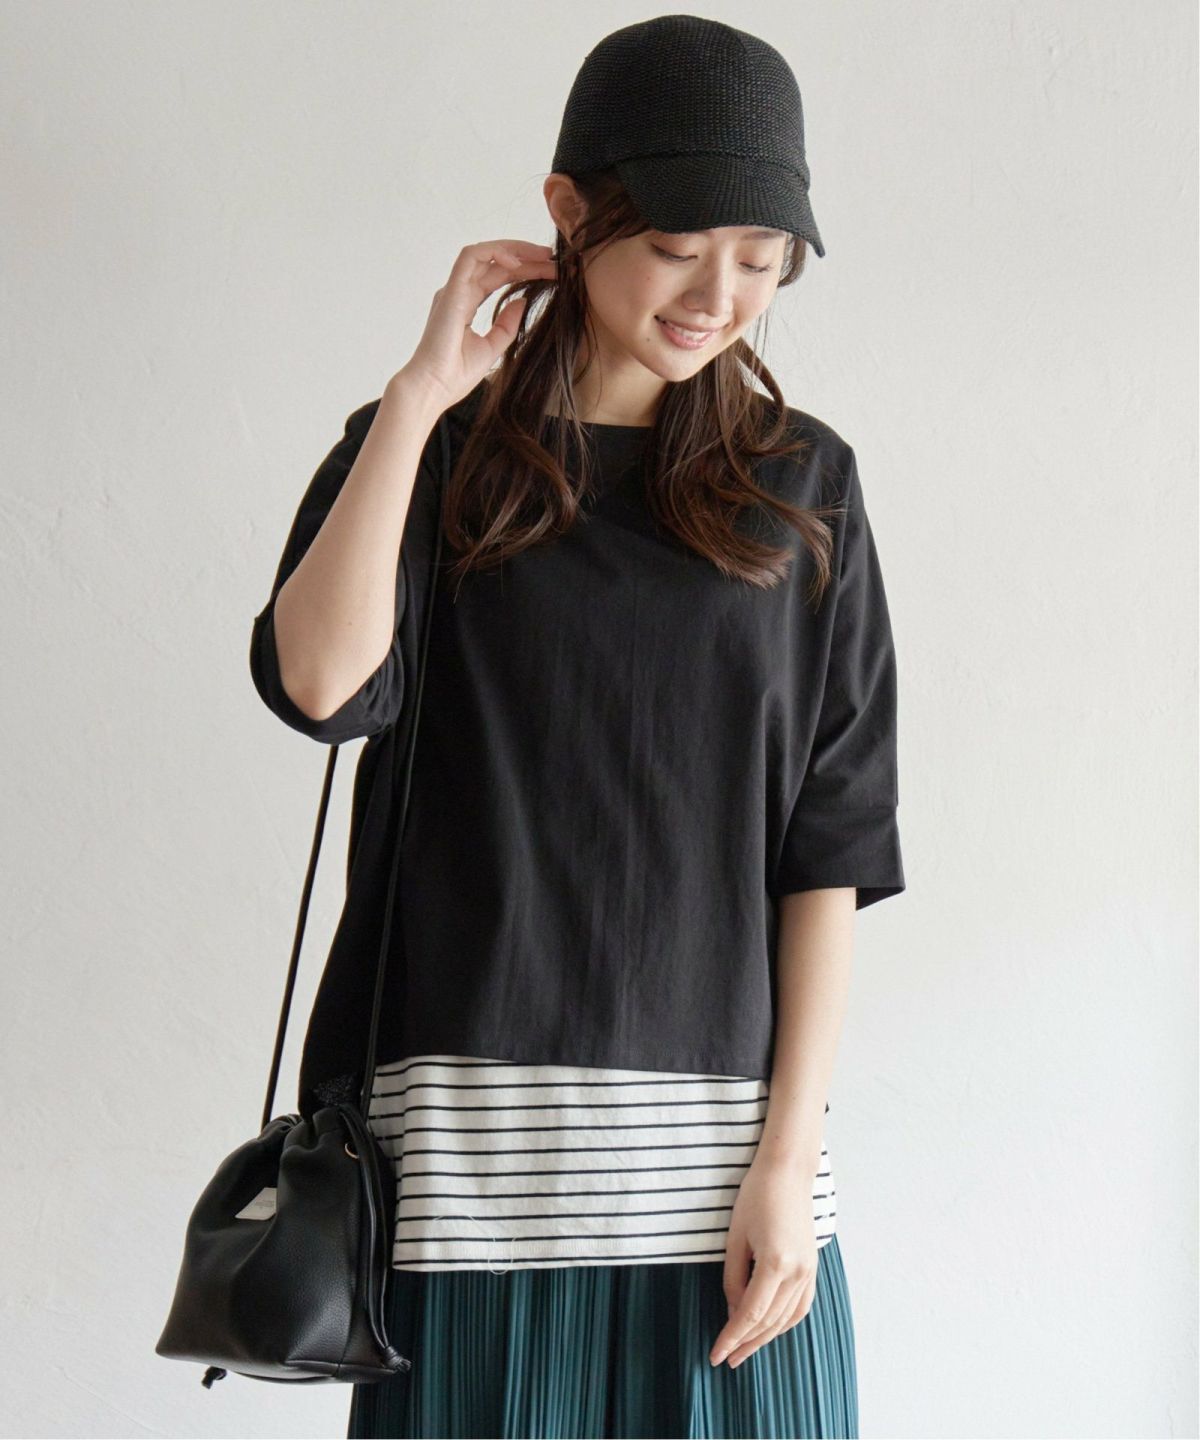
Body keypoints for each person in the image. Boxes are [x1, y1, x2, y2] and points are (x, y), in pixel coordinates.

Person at [249, 15, 905, 1439]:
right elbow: (319, 687)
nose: (719, 294)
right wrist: (419, 400)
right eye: (677, 245)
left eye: (761, 257)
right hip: (466, 1190)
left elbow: (831, 848)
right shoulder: (435, 453)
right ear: (567, 212)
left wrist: (788, 1163)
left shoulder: (803, 488)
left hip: (723, 1195)